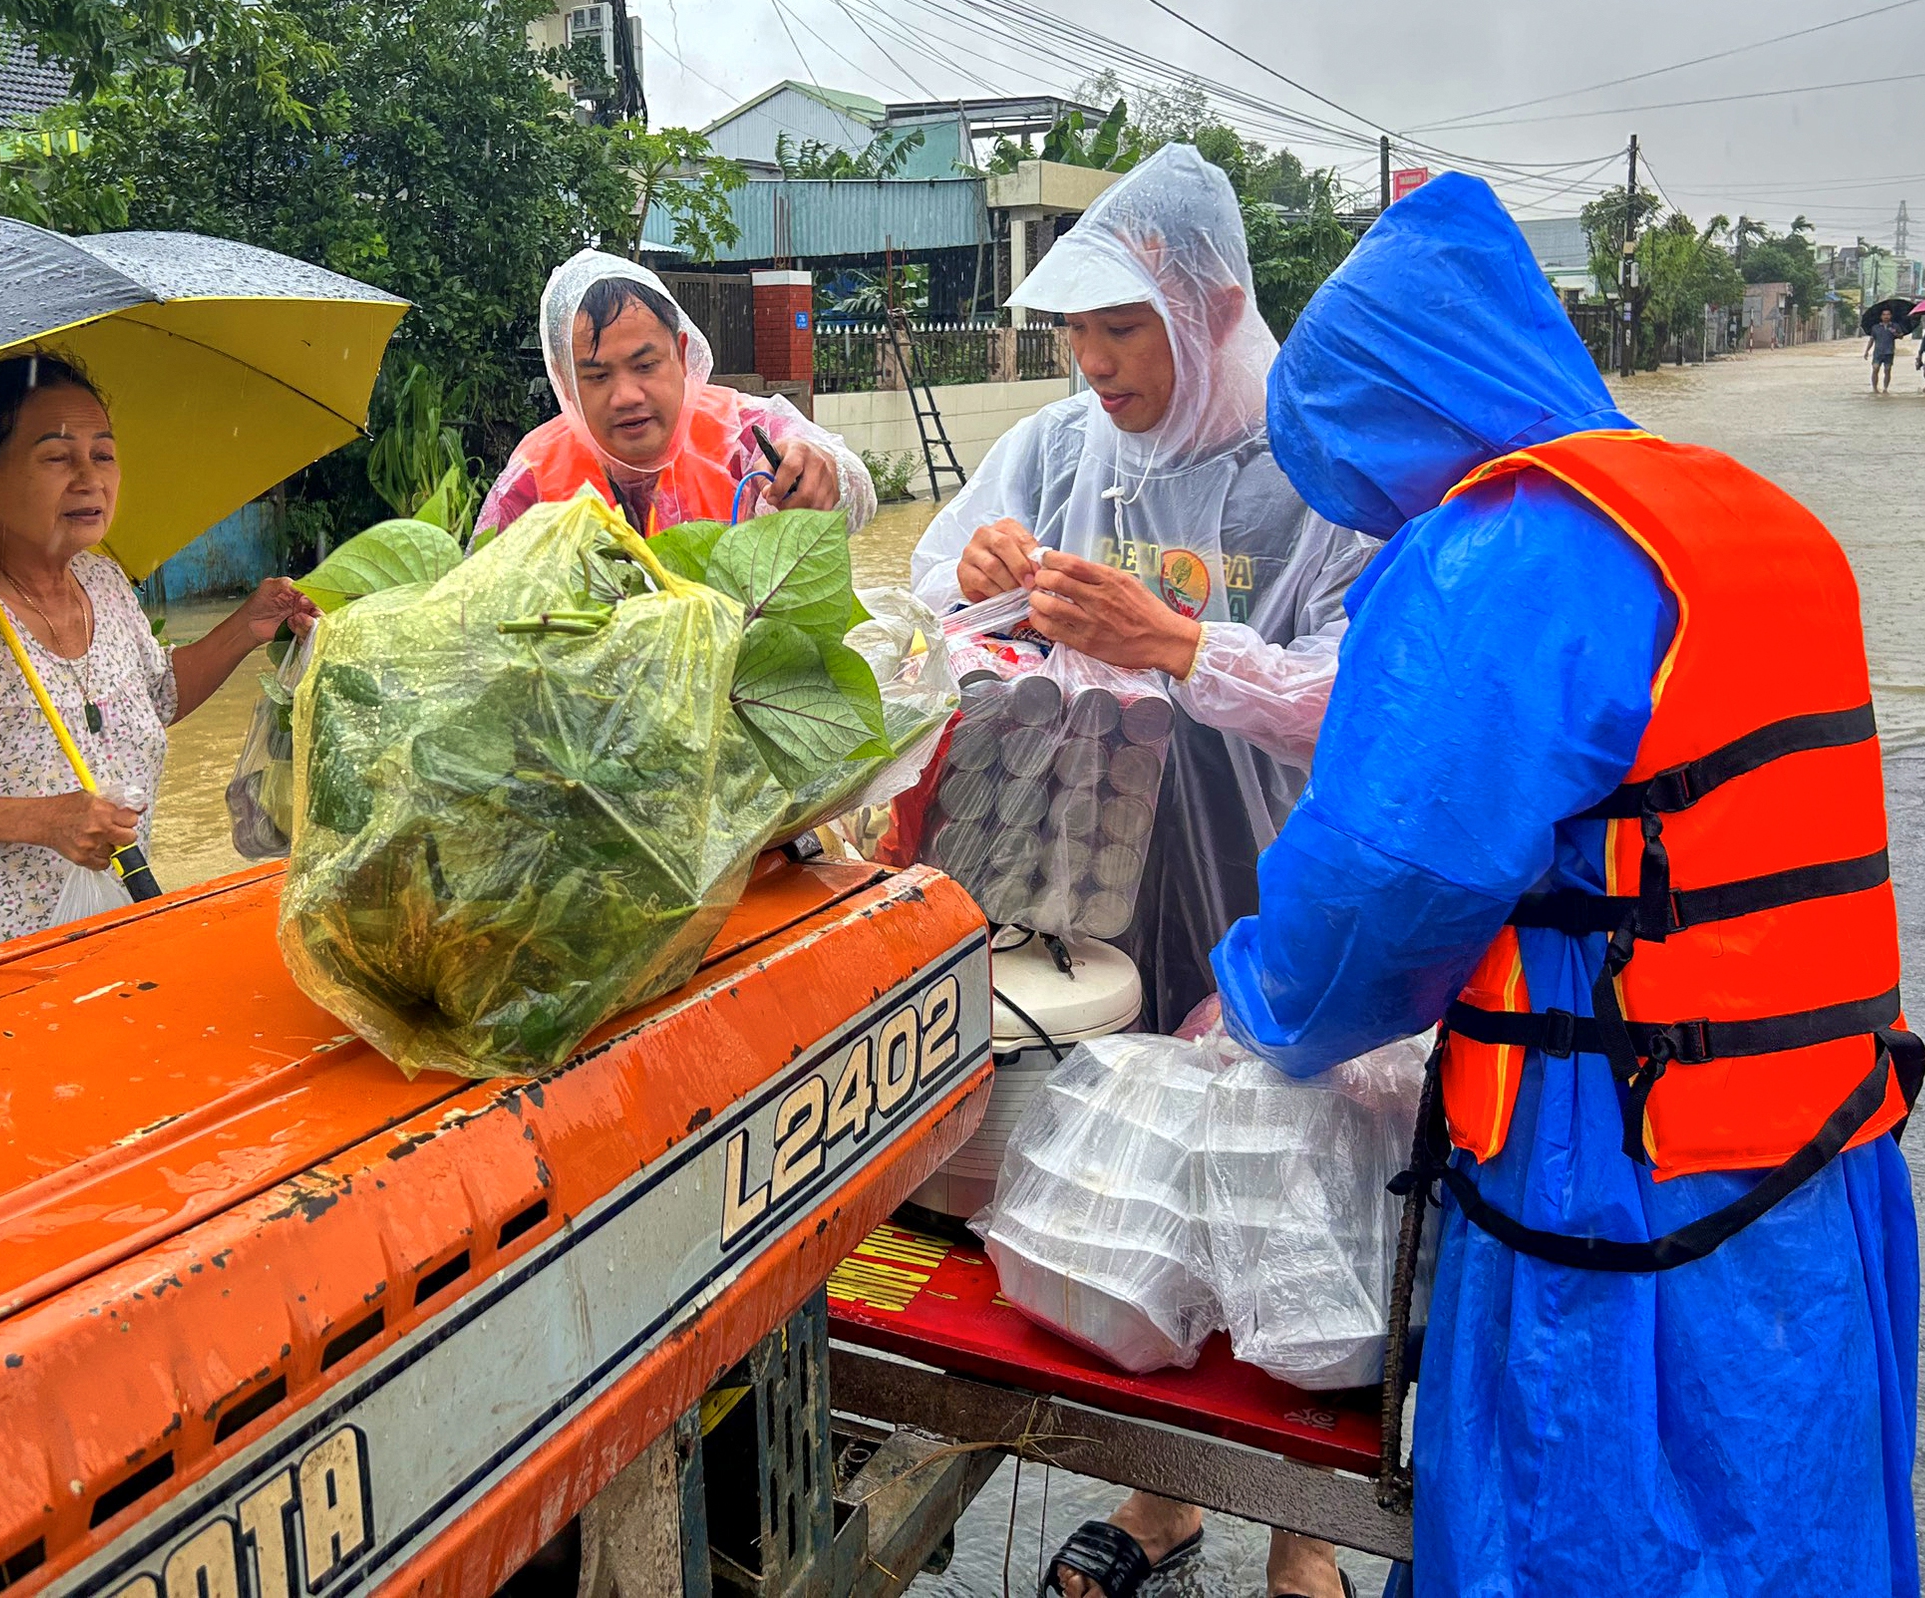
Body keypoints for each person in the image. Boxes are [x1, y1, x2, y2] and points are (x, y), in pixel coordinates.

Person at [1209, 173, 1921, 1597]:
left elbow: (1383, 884)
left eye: (1366, 470)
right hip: (1820, 1161)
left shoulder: (1509, 552)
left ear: (1403, 413)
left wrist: (1253, 1003)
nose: (1381, 514)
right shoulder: (1750, 516)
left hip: (1613, 1174)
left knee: (1580, 1529)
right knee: (1792, 1509)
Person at [910, 146, 1374, 1598]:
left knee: (1294, 1180)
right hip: (1092, 866)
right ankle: (1164, 1501)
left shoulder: (1313, 467)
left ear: (1212, 311)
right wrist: (977, 574)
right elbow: (931, 594)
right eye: (1077, 331)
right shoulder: (1059, 451)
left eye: (1123, 329)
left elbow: (1370, 691)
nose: (1095, 363)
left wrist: (1175, 645)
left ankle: (1304, 1535)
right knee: (1139, 1181)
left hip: (1278, 868)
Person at [0, 353, 316, 981]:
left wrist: (246, 627)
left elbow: (155, 698)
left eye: (103, 454)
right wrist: (43, 819)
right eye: (56, 457)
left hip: (99, 944)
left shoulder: (102, 582)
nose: (89, 479)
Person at [474, 249, 876, 543]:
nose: (626, 396)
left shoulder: (743, 433)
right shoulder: (532, 477)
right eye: (597, 376)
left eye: (645, 365)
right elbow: (478, 606)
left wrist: (828, 477)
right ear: (565, 381)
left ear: (682, 355)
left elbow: (859, 498)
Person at [1867, 313, 1901, 393]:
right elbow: (1871, 340)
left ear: (1891, 316)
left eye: (1888, 314)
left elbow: (1901, 336)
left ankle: (1885, 388)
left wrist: (1895, 332)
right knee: (1875, 369)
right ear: (1881, 316)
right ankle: (1875, 388)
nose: (1886, 316)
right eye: (1884, 315)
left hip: (1889, 352)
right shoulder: (1875, 327)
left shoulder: (1895, 326)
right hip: (1878, 352)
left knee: (1887, 370)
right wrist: (1867, 351)